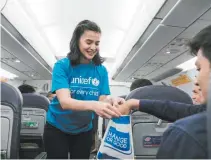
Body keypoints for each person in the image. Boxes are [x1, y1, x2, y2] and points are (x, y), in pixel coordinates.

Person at [118, 25, 211, 158]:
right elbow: (182, 110)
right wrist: (135, 103)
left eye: (199, 69)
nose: (196, 81)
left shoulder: (185, 135)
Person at [44, 20, 124, 159]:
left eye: (97, 43)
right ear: (77, 41)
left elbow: (102, 99)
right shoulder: (62, 66)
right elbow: (65, 102)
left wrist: (112, 101)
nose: (93, 47)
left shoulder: (101, 70)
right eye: (89, 42)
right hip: (57, 127)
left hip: (84, 129)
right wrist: (94, 105)